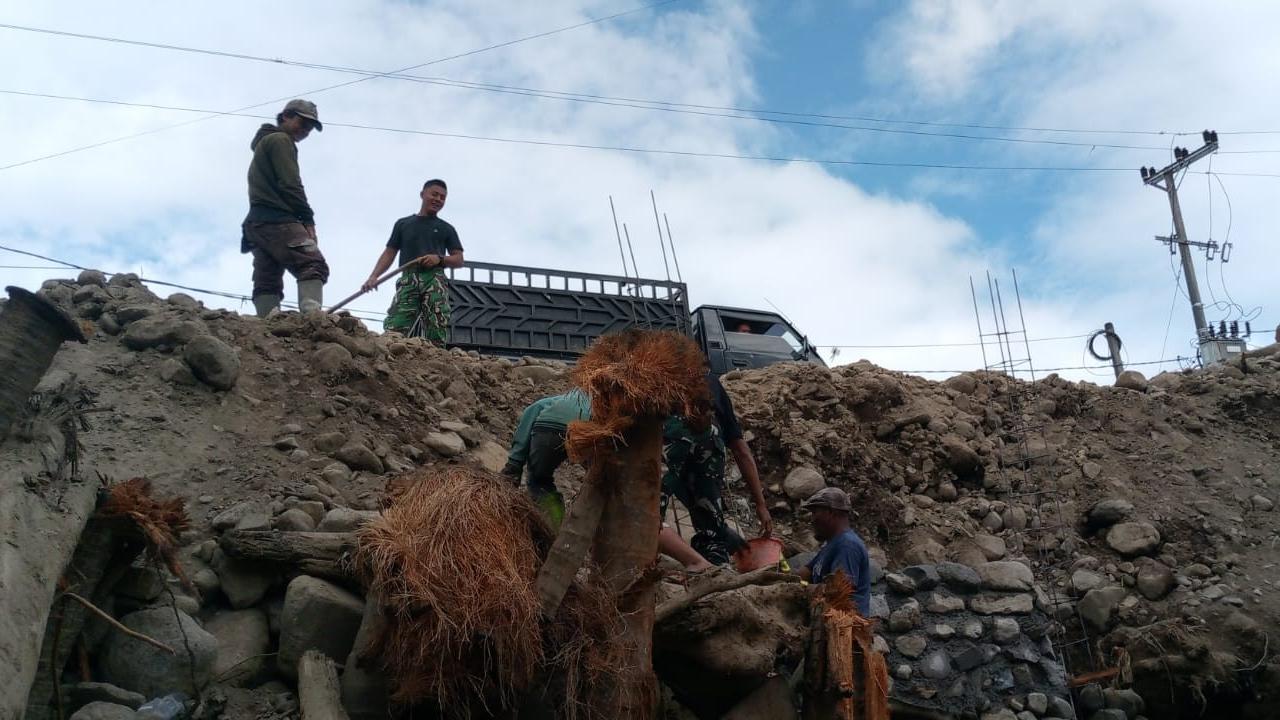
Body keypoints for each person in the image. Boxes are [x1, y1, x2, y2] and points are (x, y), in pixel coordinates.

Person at [661, 371, 772, 565]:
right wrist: (760, 505)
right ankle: (716, 565)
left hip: (673, 436)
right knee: (711, 533)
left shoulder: (653, 370)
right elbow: (740, 449)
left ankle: (697, 564)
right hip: (711, 441)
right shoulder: (710, 380)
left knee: (645, 514)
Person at [241, 99, 329, 318]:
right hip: (277, 219)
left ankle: (267, 322)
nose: (305, 130)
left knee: (267, 276)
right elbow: (290, 183)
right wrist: (307, 218)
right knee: (312, 263)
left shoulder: (265, 142)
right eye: (302, 123)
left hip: (257, 224)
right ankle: (312, 318)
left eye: (310, 128)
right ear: (285, 116)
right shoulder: (281, 140)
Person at [362, 180, 463, 343]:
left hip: (434, 278)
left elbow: (459, 259)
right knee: (396, 323)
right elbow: (389, 252)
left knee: (437, 320)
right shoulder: (403, 224)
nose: (438, 199)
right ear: (422, 194)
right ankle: (391, 349)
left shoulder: (446, 228)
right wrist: (374, 277)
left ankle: (436, 354)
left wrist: (439, 259)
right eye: (434, 194)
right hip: (408, 277)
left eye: (443, 197)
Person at [501, 388, 590, 527]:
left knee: (539, 481)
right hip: (589, 430)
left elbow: (531, 411)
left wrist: (514, 464)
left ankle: (553, 527)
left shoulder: (556, 400)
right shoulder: (606, 402)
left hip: (549, 428)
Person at [797, 487, 871, 616]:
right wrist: (782, 578)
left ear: (830, 512)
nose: (812, 520)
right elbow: (807, 572)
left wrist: (803, 588)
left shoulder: (847, 545)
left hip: (845, 624)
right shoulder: (831, 544)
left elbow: (839, 590)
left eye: (815, 513)